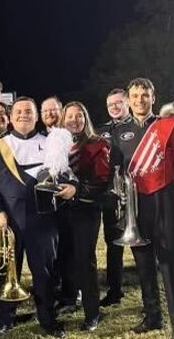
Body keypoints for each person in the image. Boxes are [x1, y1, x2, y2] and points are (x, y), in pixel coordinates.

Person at [110, 78, 174, 339]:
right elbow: (116, 172)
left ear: (153, 98)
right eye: (135, 95)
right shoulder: (119, 132)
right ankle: (153, 316)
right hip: (136, 207)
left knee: (171, 265)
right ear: (128, 99)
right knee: (144, 266)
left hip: (165, 202)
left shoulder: (168, 125)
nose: (140, 100)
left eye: (145, 95)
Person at [0, 97, 66, 338]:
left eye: (29, 111)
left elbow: (65, 173)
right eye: (18, 112)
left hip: (44, 220)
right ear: (10, 117)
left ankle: (47, 319)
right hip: (10, 221)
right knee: (8, 272)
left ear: (36, 116)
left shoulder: (51, 143)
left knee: (44, 272)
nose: (23, 115)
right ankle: (5, 319)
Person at [55, 102, 109, 331]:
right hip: (61, 210)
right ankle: (69, 299)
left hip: (86, 210)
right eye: (70, 116)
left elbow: (103, 180)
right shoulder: (57, 143)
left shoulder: (98, 144)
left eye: (80, 116)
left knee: (84, 261)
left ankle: (92, 312)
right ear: (63, 119)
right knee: (65, 257)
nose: (75, 120)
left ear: (86, 119)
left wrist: (77, 191)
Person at [95, 87, 131, 306]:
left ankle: (121, 288)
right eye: (110, 104)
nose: (114, 108)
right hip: (105, 195)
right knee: (110, 243)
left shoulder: (137, 126)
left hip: (129, 193)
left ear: (127, 103)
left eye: (119, 103)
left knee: (127, 243)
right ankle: (112, 289)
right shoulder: (101, 130)